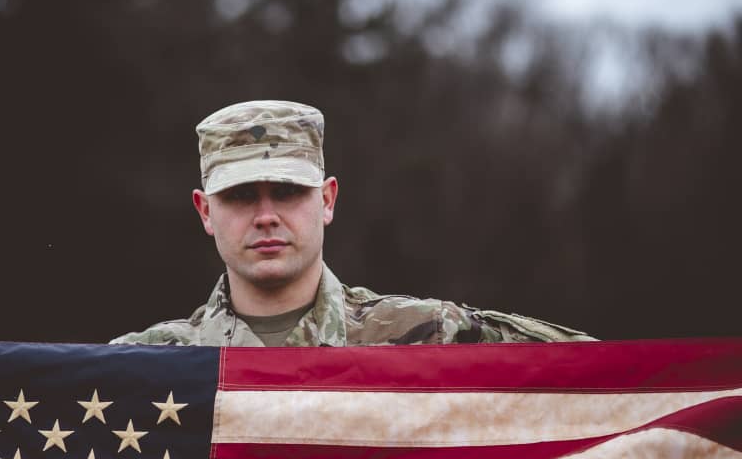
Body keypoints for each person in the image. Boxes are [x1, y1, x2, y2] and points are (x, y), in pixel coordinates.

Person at [111, 100, 593, 346]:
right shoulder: (146, 365)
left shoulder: (427, 336)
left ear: (327, 199)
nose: (266, 217)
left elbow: (615, 381)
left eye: (286, 191)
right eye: (239, 196)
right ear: (205, 212)